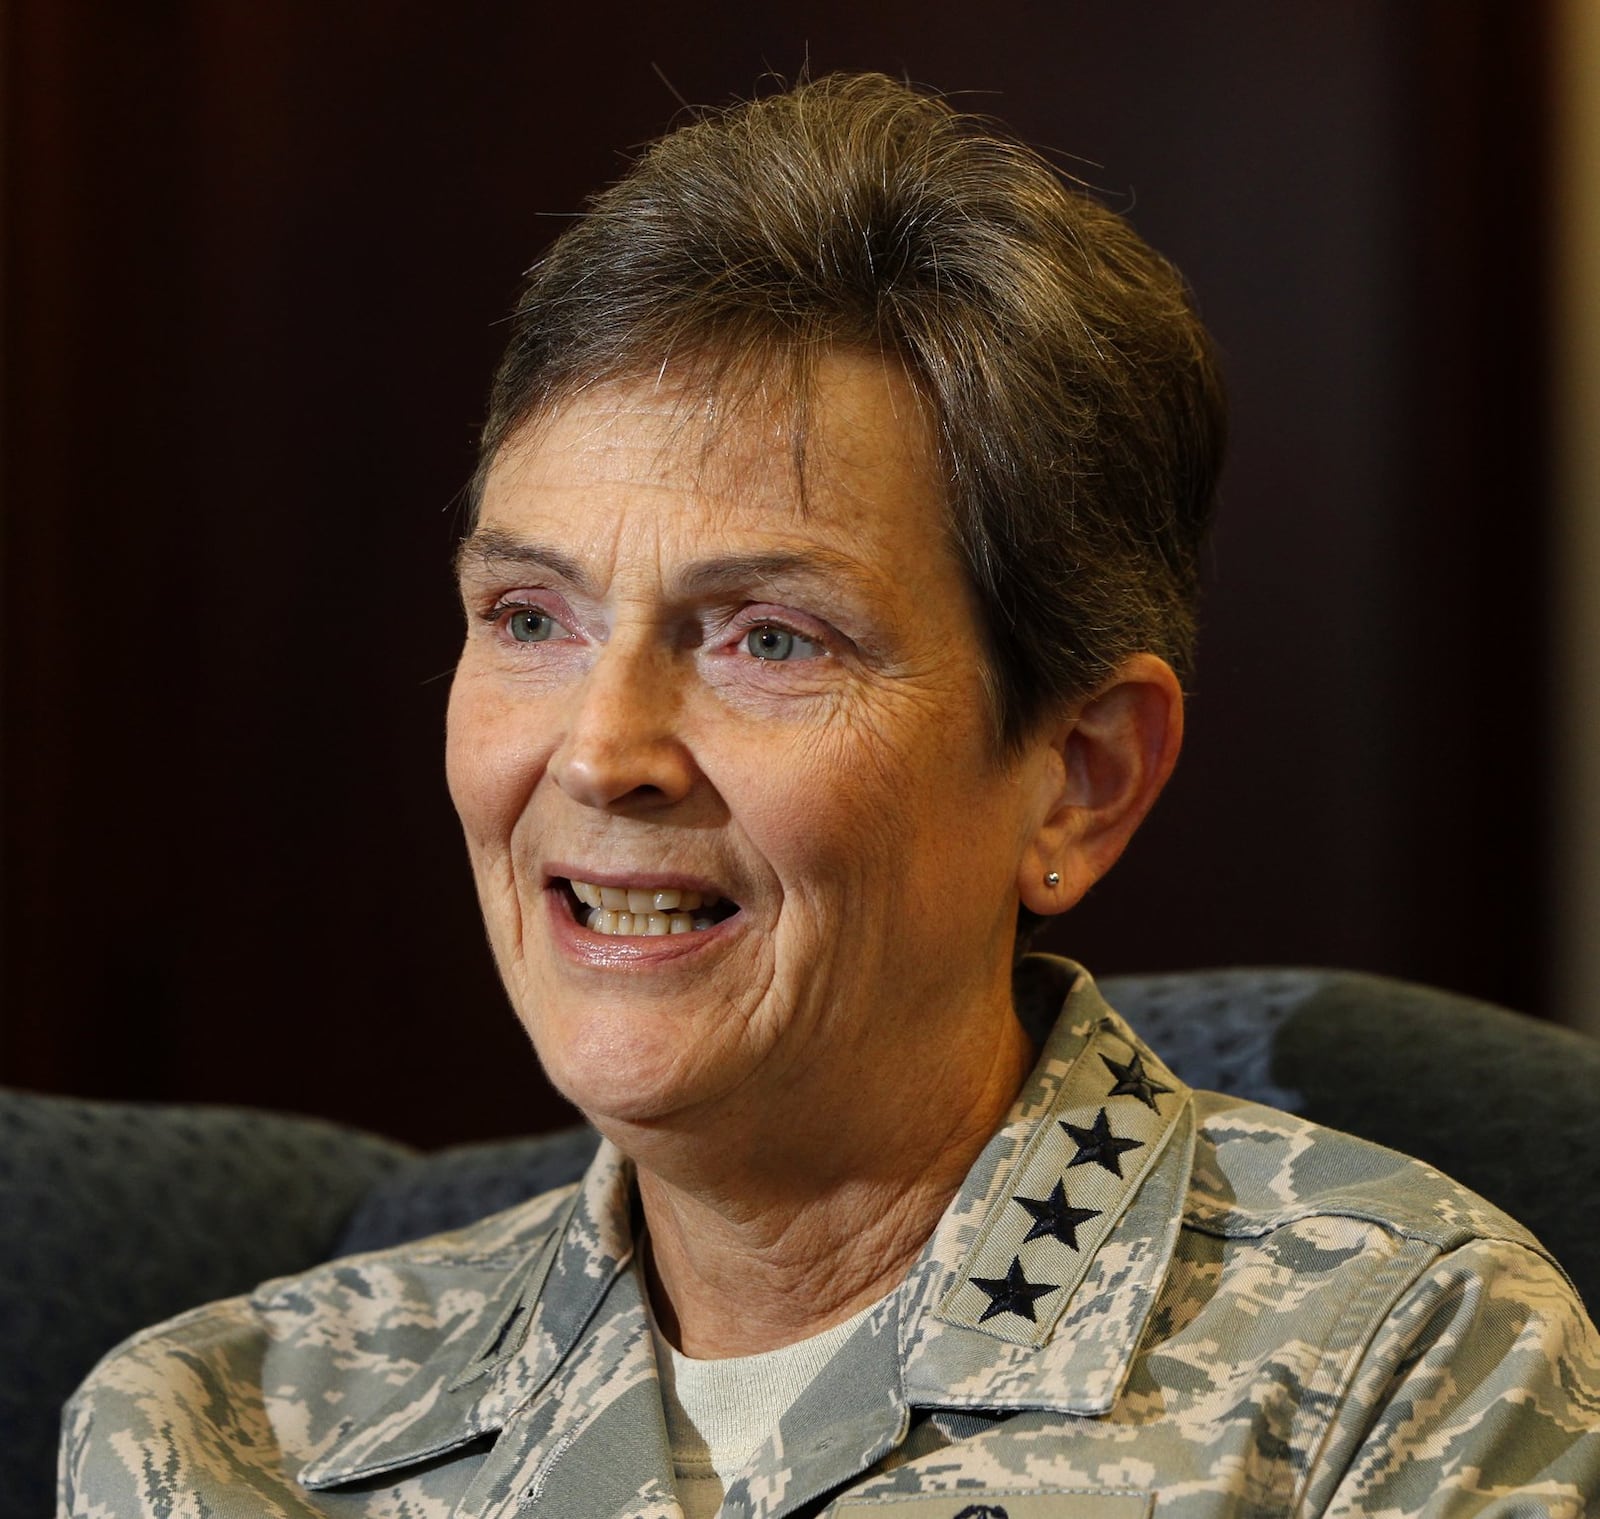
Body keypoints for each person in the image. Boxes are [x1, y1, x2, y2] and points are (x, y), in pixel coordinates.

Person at [59, 72, 1598, 1518]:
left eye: (770, 638)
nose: (601, 754)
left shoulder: (1401, 1371)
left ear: (1080, 777)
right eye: (533, 619)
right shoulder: (227, 1432)